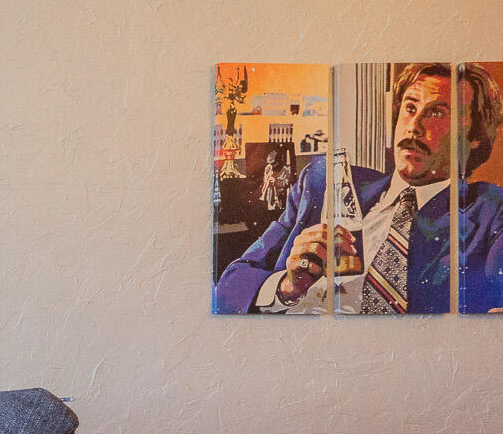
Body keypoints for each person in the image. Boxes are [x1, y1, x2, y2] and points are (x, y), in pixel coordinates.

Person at [215, 63, 503, 314]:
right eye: (410, 107)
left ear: (474, 135)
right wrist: (287, 287)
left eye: (438, 113)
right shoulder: (321, 183)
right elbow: (230, 286)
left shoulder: (490, 213)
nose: (413, 126)